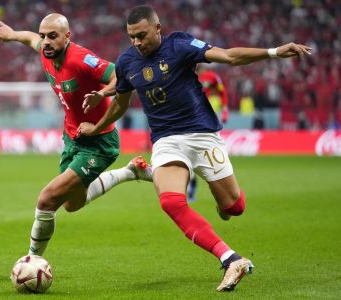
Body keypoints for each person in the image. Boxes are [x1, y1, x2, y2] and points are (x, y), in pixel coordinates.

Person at [78, 5, 312, 292]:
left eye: (142, 35)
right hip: (166, 140)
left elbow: (228, 56)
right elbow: (121, 103)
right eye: (131, 37)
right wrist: (98, 124)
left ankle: (216, 194)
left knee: (234, 207)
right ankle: (230, 259)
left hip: (202, 135)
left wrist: (274, 52)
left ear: (157, 28)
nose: (137, 43)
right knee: (171, 203)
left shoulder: (180, 44)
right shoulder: (127, 61)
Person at [0, 14, 152, 257]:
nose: (45, 41)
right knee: (72, 203)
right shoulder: (47, 52)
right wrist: (13, 35)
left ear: (67, 37)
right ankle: (130, 172)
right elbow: (30, 38)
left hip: (99, 142)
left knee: (46, 200)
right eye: (44, 35)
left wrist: (103, 94)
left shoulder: (80, 59)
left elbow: (120, 77)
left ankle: (32, 260)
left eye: (52, 36)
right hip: (72, 137)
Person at [188, 67, 230, 202]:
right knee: (189, 156)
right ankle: (191, 189)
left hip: (205, 119)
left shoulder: (210, 76)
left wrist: (224, 109)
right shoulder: (181, 72)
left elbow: (222, 91)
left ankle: (218, 184)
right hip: (186, 118)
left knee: (207, 154)